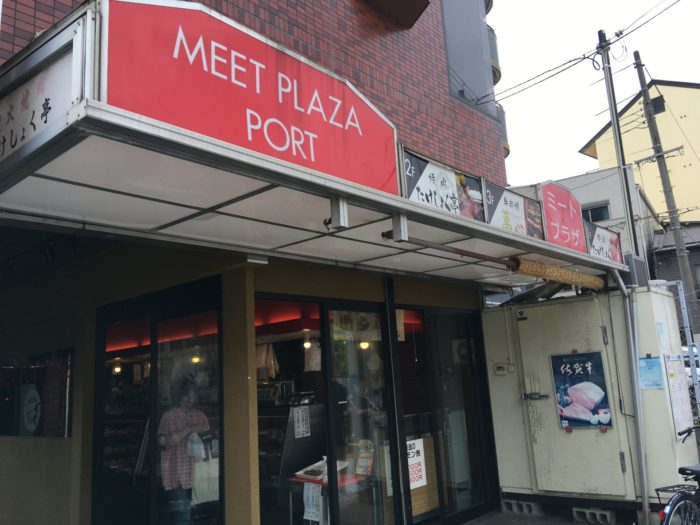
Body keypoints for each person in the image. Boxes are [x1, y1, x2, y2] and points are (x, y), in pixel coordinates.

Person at [158, 376, 210, 525]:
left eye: (192, 395)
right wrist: (187, 430)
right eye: (186, 396)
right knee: (182, 514)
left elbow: (209, 440)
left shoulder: (200, 416)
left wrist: (200, 433)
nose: (189, 399)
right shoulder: (169, 416)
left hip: (198, 472)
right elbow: (163, 443)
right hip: (177, 473)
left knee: (198, 513)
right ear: (178, 397)